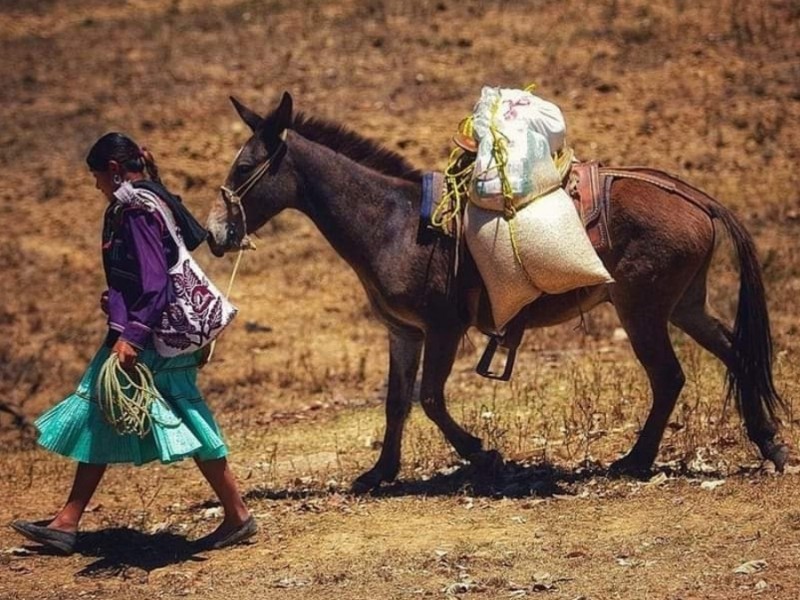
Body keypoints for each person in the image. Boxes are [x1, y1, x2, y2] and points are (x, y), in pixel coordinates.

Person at [10, 133, 255, 555]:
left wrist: (132, 334)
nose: (97, 188)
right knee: (110, 407)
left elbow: (156, 281)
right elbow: (156, 266)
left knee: (154, 409)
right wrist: (120, 297)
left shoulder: (136, 209)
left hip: (151, 335)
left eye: (97, 178)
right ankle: (68, 520)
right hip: (155, 331)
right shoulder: (155, 197)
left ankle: (237, 516)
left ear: (115, 170)